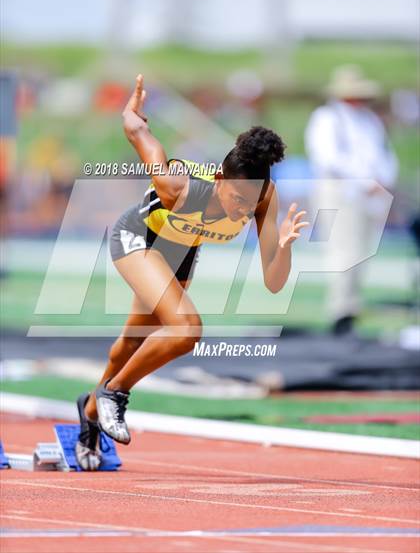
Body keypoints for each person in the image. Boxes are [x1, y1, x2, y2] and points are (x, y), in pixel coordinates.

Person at [75, 74, 309, 471]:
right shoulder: (177, 186)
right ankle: (114, 393)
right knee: (186, 329)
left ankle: (92, 409)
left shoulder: (264, 196)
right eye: (237, 199)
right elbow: (139, 137)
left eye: (249, 205)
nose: (242, 211)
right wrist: (133, 113)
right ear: (219, 180)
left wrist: (283, 248)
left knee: (133, 342)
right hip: (138, 239)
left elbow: (274, 282)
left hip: (181, 251)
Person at [305, 65, 398, 336]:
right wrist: (365, 180)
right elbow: (328, 158)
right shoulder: (326, 118)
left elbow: (383, 155)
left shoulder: (369, 120)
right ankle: (340, 311)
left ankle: (351, 307)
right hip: (340, 192)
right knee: (344, 251)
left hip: (367, 196)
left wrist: (382, 180)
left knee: (361, 252)